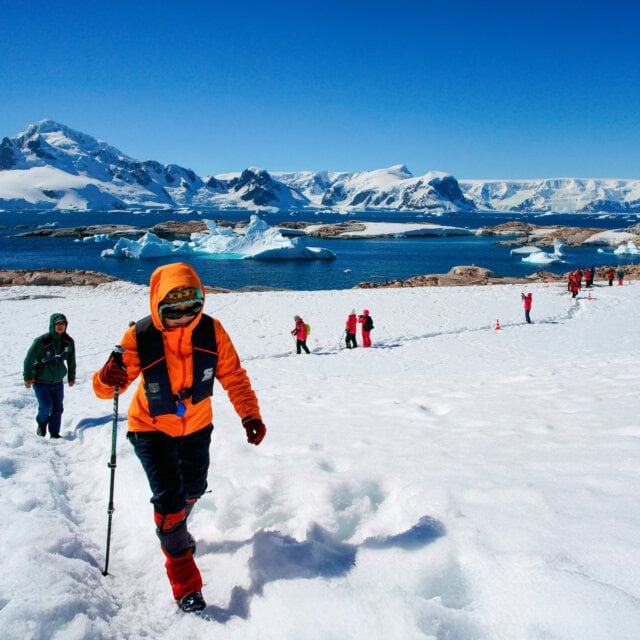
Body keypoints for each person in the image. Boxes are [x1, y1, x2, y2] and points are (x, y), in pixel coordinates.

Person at [92, 262, 266, 613]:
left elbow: (233, 375)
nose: (184, 318)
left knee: (193, 490)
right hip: (150, 428)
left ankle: (174, 529)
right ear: (158, 307)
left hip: (197, 425)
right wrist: (107, 376)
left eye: (192, 308)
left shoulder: (212, 332)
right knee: (171, 502)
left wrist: (250, 414)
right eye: (174, 311)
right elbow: (108, 387)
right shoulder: (140, 336)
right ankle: (185, 580)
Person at [23, 313, 76, 439]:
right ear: (52, 325)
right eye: (57, 324)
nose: (60, 326)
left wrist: (71, 376)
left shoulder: (68, 341)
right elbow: (28, 359)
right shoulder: (41, 341)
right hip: (41, 381)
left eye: (62, 324)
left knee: (58, 409)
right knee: (46, 406)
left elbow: (71, 359)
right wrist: (27, 377)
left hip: (57, 381)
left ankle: (54, 433)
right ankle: (41, 423)